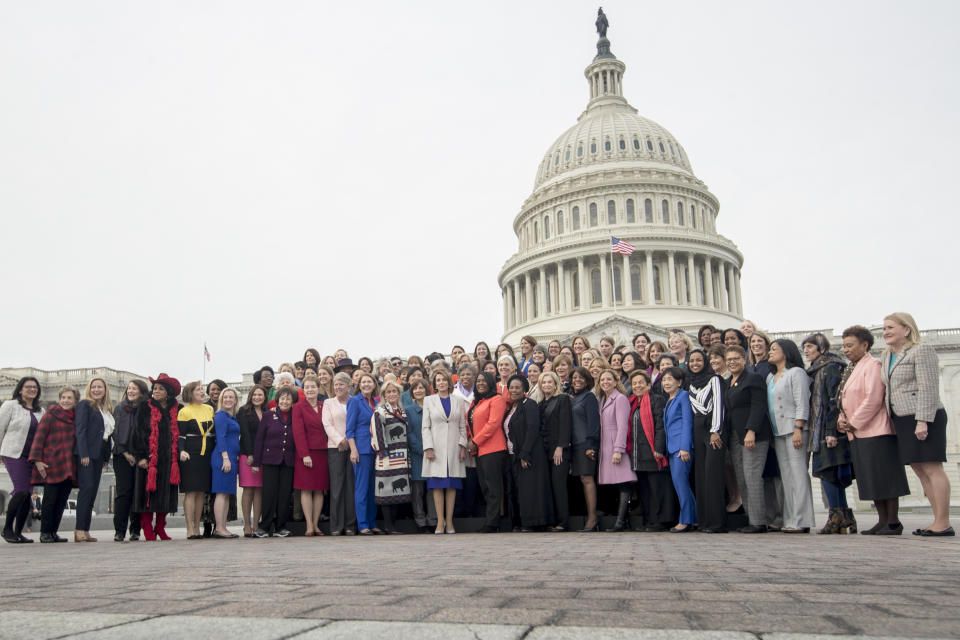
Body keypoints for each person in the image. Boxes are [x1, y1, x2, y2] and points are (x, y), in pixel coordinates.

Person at [880, 312, 953, 536]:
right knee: (920, 470)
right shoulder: (886, 355)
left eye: (891, 327)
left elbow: (929, 387)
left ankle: (943, 522)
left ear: (907, 329)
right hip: (901, 418)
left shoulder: (922, 350)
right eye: (884, 329)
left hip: (924, 416)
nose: (886, 332)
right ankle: (936, 521)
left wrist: (922, 421)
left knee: (932, 467)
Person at [838, 325, 910, 535]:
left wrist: (854, 421)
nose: (846, 350)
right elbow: (844, 398)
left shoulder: (873, 365)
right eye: (844, 346)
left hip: (876, 430)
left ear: (865, 345)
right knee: (870, 477)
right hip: (858, 431)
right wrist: (842, 419)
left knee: (885, 476)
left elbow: (873, 398)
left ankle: (893, 521)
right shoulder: (852, 368)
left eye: (850, 345)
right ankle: (882, 520)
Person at [802, 333, 854, 535]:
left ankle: (837, 517)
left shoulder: (830, 367)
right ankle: (845, 518)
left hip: (828, 428)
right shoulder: (817, 369)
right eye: (804, 347)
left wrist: (831, 431)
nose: (806, 351)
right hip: (821, 426)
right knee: (832, 473)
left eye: (809, 347)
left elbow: (834, 400)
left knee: (827, 471)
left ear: (821, 348)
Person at [722, 347, 774, 533]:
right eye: (729, 359)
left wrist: (751, 430)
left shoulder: (753, 379)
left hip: (753, 435)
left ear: (745, 359)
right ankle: (752, 518)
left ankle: (759, 522)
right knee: (742, 478)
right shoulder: (728, 382)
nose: (732, 362)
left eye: (736, 358)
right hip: (735, 436)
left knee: (752, 476)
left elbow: (758, 406)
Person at [766, 340, 814, 533]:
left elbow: (802, 402)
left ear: (786, 352)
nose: (770, 352)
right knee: (786, 477)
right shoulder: (771, 377)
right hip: (778, 431)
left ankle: (802, 520)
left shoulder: (796, 373)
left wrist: (798, 427)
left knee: (798, 475)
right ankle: (790, 517)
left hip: (794, 429)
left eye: (774, 349)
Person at [132, 374, 182, 541]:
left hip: (169, 460)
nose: (156, 391)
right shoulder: (144, 407)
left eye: (160, 388)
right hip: (150, 459)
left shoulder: (177, 408)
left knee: (165, 496)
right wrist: (141, 457)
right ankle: (147, 527)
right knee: (147, 495)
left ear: (168, 392)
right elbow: (137, 433)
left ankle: (160, 527)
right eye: (155, 388)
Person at [28, 386, 78, 543]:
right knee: (50, 501)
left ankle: (53, 532)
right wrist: (37, 461)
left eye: (69, 398)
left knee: (61, 501)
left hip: (69, 465)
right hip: (51, 464)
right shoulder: (50, 415)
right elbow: (39, 438)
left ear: (75, 400)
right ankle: (44, 533)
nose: (66, 401)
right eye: (63, 397)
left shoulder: (76, 418)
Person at [422, 370, 468, 535]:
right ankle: (440, 521)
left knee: (451, 485)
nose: (441, 383)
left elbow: (463, 426)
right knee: (437, 484)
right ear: (434, 384)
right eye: (438, 380)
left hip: (454, 449)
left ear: (449, 382)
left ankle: (449, 521)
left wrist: (463, 446)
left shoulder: (458, 401)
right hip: (436, 448)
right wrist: (428, 447)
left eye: (444, 380)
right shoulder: (429, 400)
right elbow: (425, 426)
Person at [503, 375, 551, 531]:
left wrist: (525, 453)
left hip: (530, 454)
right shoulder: (511, 407)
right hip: (513, 455)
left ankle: (534, 523)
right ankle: (521, 521)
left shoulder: (529, 404)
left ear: (524, 389)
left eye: (517, 387)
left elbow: (532, 428)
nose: (514, 390)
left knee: (531, 489)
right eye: (511, 387)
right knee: (520, 490)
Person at [627, 370, 674, 532]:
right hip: (638, 454)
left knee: (658, 489)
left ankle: (661, 521)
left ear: (648, 384)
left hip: (653, 452)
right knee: (645, 490)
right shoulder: (633, 402)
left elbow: (661, 426)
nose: (637, 386)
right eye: (634, 383)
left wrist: (659, 448)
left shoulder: (656, 400)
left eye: (641, 382)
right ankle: (650, 520)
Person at [687, 349, 726, 533]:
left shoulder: (714, 380)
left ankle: (717, 522)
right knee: (700, 476)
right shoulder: (690, 383)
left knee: (713, 476)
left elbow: (718, 405)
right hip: (696, 430)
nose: (695, 363)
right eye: (692, 360)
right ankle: (704, 521)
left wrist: (716, 430)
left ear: (706, 362)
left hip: (711, 430)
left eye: (699, 360)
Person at [252, 386, 297, 538]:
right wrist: (256, 462)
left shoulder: (295, 416)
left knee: (284, 495)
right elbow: (259, 440)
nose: (285, 401)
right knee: (269, 494)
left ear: (292, 402)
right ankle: (264, 526)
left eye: (288, 399)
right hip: (270, 459)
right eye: (282, 398)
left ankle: (280, 526)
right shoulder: (267, 416)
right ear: (277, 401)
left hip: (288, 460)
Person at [467, 371, 508, 533]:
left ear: (491, 383)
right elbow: (470, 423)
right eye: (478, 381)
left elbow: (493, 424)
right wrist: (472, 441)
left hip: (493, 449)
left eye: (484, 381)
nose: (480, 383)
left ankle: (493, 522)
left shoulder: (497, 399)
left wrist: (475, 441)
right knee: (485, 487)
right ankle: (491, 520)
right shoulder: (476, 402)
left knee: (493, 487)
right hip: (480, 451)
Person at [597, 369, 637, 531]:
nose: (605, 382)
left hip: (615, 444)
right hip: (605, 445)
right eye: (602, 379)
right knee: (616, 484)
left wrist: (618, 449)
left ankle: (621, 522)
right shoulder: (603, 399)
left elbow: (623, 426)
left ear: (615, 381)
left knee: (624, 483)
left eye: (609, 379)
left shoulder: (620, 399)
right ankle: (623, 520)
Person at [370, 379, 411, 534]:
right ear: (383, 395)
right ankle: (389, 526)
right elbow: (377, 435)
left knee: (398, 493)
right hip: (387, 457)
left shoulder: (402, 411)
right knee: (386, 491)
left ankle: (392, 525)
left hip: (402, 457)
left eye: (395, 391)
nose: (392, 394)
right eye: (389, 392)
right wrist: (383, 454)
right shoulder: (379, 412)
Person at [111, 380, 148, 542]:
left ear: (141, 392)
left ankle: (135, 529)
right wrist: (126, 453)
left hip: (141, 457)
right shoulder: (120, 408)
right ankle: (119, 530)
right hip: (122, 456)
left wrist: (142, 457)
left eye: (135, 389)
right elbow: (115, 432)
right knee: (123, 493)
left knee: (138, 493)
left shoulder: (146, 409)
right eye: (129, 388)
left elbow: (149, 434)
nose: (131, 391)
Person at [177, 381, 215, 540]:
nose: (202, 391)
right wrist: (181, 450)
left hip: (207, 454)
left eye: (202, 389)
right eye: (198, 389)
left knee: (201, 491)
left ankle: (198, 527)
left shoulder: (210, 408)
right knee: (191, 491)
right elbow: (180, 435)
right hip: (191, 454)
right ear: (190, 393)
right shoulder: (184, 411)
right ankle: (189, 528)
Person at [293, 375, 329, 536]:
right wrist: (304, 454)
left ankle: (316, 525)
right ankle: (308, 525)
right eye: (307, 387)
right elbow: (298, 432)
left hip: (323, 452)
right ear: (303, 390)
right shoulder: (298, 407)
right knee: (306, 489)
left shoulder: (324, 405)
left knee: (319, 490)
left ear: (318, 388)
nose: (310, 390)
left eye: (313, 387)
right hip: (306, 454)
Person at [661, 367, 696, 532]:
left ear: (679, 381)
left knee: (681, 484)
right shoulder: (669, 400)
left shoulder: (683, 396)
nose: (666, 383)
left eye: (670, 379)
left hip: (681, 449)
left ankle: (686, 520)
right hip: (672, 448)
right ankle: (693, 517)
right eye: (664, 380)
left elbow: (687, 423)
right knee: (681, 485)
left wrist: (684, 447)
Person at [323, 372, 356, 536]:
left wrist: (350, 442)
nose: (337, 387)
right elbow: (327, 424)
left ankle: (350, 525)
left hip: (353, 447)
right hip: (335, 448)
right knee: (337, 487)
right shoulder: (328, 403)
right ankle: (336, 525)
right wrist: (340, 440)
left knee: (350, 486)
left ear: (349, 386)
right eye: (335, 384)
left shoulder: (354, 401)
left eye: (341, 384)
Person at [346, 373, 380, 535]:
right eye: (363, 382)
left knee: (374, 488)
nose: (366, 384)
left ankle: (372, 522)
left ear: (374, 384)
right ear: (359, 385)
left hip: (377, 450)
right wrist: (353, 449)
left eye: (369, 382)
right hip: (362, 450)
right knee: (362, 488)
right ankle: (363, 524)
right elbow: (349, 429)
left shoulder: (377, 402)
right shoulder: (354, 401)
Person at [538, 371, 572, 532]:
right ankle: (551, 519)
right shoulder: (540, 404)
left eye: (550, 382)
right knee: (548, 487)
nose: (547, 385)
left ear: (556, 384)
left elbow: (565, 424)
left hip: (559, 450)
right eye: (544, 382)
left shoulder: (562, 399)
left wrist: (560, 447)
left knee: (559, 486)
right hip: (544, 451)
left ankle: (563, 521)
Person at [569, 367, 601, 532]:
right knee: (581, 480)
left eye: (581, 377)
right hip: (574, 445)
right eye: (574, 377)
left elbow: (594, 423)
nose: (577, 380)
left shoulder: (589, 397)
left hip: (585, 444)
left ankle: (592, 517)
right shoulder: (573, 398)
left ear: (587, 380)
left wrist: (591, 445)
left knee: (587, 479)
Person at [405, 378, 434, 533]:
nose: (418, 391)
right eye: (415, 389)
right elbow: (408, 433)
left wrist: (432, 448)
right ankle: (420, 521)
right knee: (417, 490)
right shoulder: (408, 410)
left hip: (434, 454)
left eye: (421, 388)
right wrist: (423, 449)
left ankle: (432, 520)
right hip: (417, 454)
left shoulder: (434, 407)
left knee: (432, 488)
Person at [210, 387, 241, 538]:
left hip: (231, 458)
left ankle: (223, 527)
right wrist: (226, 458)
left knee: (227, 494)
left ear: (235, 400)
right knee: (221, 493)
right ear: (221, 400)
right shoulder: (221, 415)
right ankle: (219, 527)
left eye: (231, 397)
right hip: (223, 458)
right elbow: (220, 437)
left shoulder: (232, 417)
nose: (228, 400)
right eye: (225, 397)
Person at [237, 385, 266, 537]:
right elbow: (245, 433)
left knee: (259, 491)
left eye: (260, 395)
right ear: (250, 396)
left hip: (263, 457)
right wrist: (250, 454)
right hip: (247, 455)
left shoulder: (268, 412)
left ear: (264, 396)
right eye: (254, 394)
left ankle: (256, 524)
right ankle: (247, 525)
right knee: (248, 489)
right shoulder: (243, 411)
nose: (257, 397)